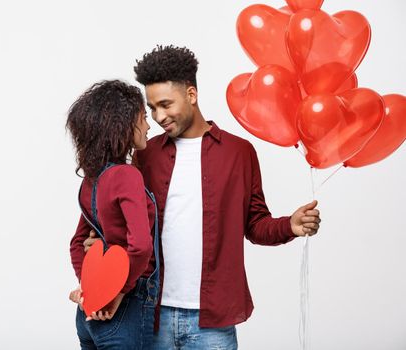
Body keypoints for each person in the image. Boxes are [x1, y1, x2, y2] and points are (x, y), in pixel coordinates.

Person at [83, 46, 321, 349]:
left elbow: (255, 224)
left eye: (166, 104)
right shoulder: (146, 155)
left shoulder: (239, 153)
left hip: (213, 322)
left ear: (191, 95)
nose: (159, 116)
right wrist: (101, 246)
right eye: (152, 108)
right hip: (150, 313)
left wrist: (290, 225)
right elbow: (128, 224)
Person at [66, 80, 160, 349]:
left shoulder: (91, 180)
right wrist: (118, 291)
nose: (148, 125)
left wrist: (89, 289)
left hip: (88, 315)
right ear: (124, 125)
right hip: (123, 310)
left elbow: (77, 243)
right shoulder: (127, 175)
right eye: (143, 117)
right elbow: (140, 246)